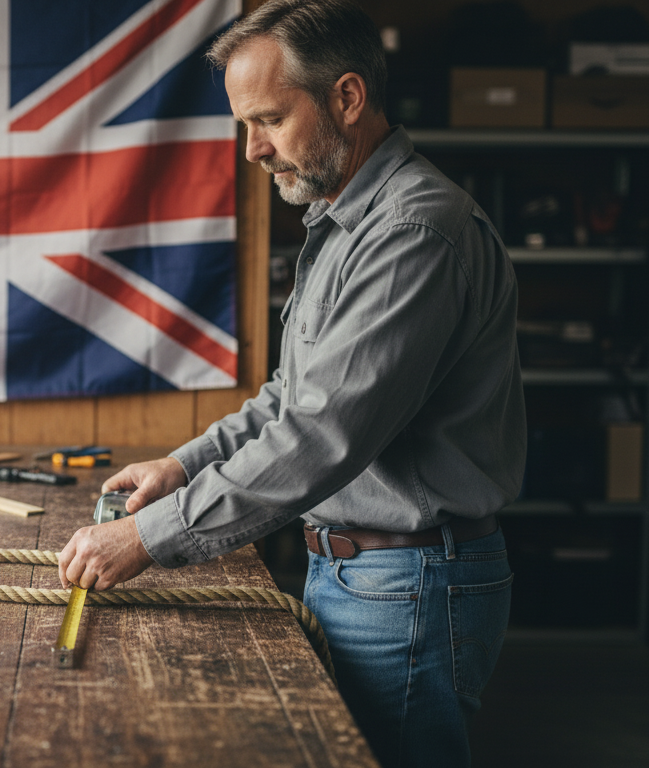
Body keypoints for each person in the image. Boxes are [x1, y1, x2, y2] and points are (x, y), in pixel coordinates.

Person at [56, 1, 526, 766]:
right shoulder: (347, 221)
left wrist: (150, 534)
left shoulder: (413, 234)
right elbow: (290, 397)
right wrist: (182, 466)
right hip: (360, 573)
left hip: (405, 584)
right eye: (246, 124)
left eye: (269, 119)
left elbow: (319, 435)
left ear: (347, 97)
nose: (253, 150)